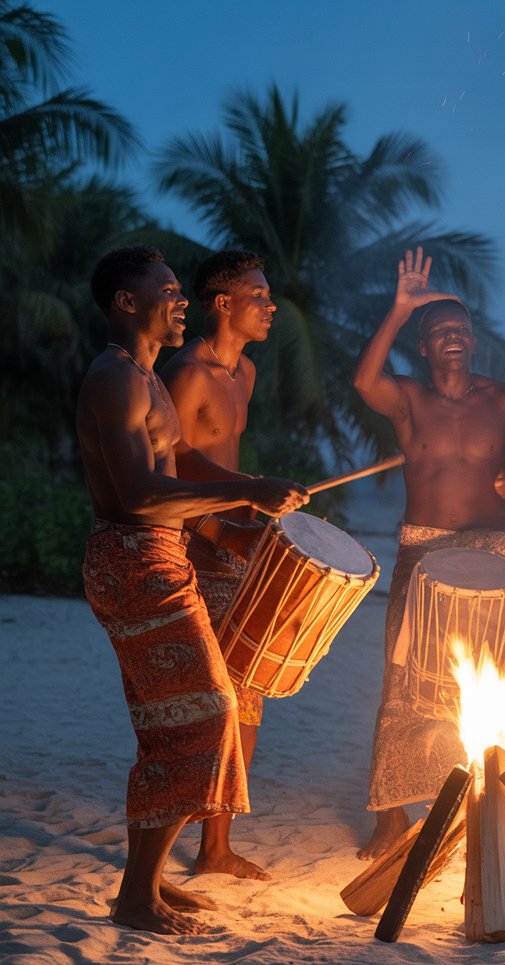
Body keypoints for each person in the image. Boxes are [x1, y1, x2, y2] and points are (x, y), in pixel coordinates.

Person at [77, 246, 308, 934]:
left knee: (169, 727)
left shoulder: (143, 376)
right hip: (132, 559)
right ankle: (136, 898)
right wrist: (242, 498)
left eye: (182, 291)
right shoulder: (114, 378)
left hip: (161, 556)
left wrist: (248, 492)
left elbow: (177, 459)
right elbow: (138, 492)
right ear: (127, 302)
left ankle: (144, 885)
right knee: (208, 713)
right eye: (169, 291)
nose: (182, 301)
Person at [353, 247, 505, 859]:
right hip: (423, 549)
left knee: (489, 682)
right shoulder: (409, 399)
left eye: (461, 328)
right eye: (440, 332)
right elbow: (364, 381)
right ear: (425, 348)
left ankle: (476, 808)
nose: (453, 337)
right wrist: (400, 308)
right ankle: (390, 816)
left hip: (490, 550)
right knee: (405, 681)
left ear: (474, 341)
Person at [161, 249, 277, 880]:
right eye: (258, 295)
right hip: (194, 550)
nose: (271, 305)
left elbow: (223, 462)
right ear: (223, 302)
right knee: (208, 702)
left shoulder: (246, 372)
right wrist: (219, 528)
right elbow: (165, 468)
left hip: (236, 548)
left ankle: (216, 848)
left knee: (249, 698)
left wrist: (253, 499)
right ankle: (175, 839)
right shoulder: (189, 371)